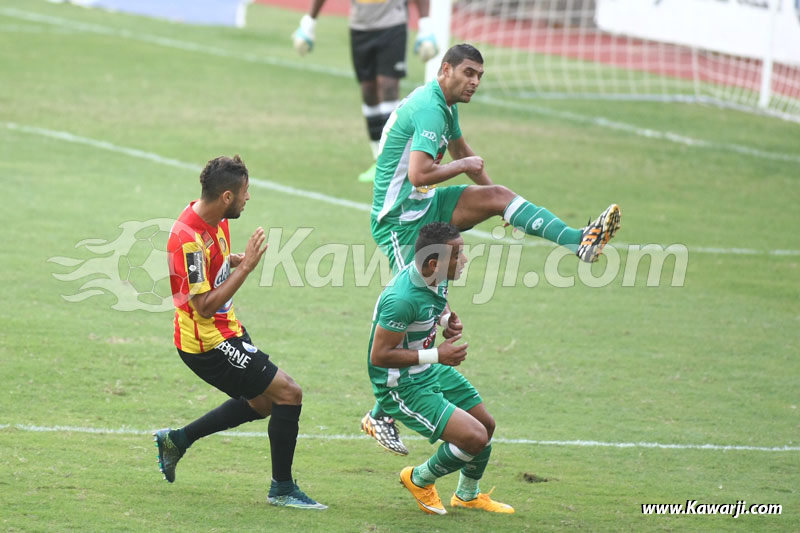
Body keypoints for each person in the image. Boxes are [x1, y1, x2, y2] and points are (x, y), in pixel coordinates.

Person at [360, 42, 622, 455]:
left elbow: (464, 153)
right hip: (399, 221)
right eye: (468, 73)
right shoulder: (429, 109)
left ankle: (580, 241)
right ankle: (381, 413)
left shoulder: (445, 106)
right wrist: (464, 168)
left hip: (425, 206)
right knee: (419, 308)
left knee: (497, 198)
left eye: (479, 76)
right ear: (445, 70)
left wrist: (501, 204)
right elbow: (419, 174)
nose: (475, 82)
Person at [154, 155, 326, 510]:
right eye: (245, 192)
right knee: (289, 393)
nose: (249, 198)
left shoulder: (212, 216)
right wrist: (245, 267)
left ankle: (177, 440)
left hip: (225, 330)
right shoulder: (188, 240)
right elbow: (203, 306)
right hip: (207, 344)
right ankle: (282, 489)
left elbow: (208, 264)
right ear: (227, 196)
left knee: (264, 403)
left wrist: (229, 260)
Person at [369, 222, 514, 515]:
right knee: (474, 438)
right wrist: (437, 354)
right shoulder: (401, 300)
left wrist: (446, 320)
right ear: (434, 263)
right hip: (402, 384)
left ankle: (467, 495)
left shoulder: (434, 276)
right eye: (458, 255)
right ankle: (419, 479)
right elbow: (380, 356)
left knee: (486, 425)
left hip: (428, 370)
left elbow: (438, 300)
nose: (465, 260)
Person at [292, 0, 438, 182]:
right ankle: (379, 159)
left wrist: (425, 25)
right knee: (368, 90)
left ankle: (394, 159)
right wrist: (309, 22)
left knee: (388, 86)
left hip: (392, 23)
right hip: (360, 26)